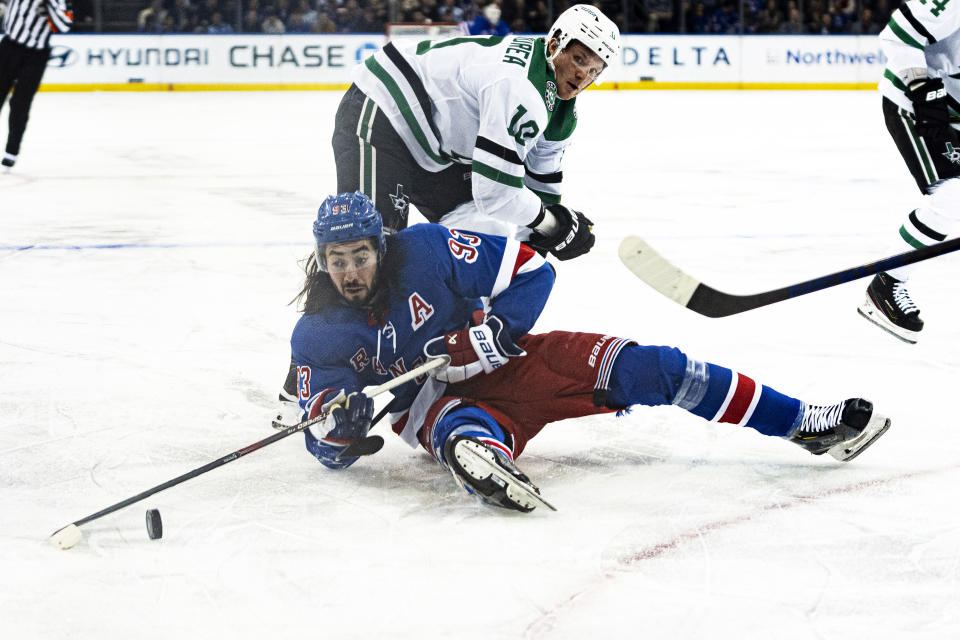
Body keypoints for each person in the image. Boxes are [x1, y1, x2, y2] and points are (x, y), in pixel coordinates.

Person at [289, 192, 892, 512]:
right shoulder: (316, 334)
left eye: (359, 255)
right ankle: (482, 458)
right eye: (336, 260)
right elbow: (325, 447)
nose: (350, 271)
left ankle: (803, 423)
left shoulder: (425, 248)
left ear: (381, 245)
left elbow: (531, 271)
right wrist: (339, 430)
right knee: (460, 424)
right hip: (426, 404)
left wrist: (492, 335)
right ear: (323, 259)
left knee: (662, 368)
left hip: (514, 360)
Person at [332, 2, 618, 254]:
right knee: (366, 254)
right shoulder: (521, 88)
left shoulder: (561, 112)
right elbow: (496, 193)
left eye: (594, 70)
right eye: (579, 59)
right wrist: (555, 225)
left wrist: (537, 245)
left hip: (434, 146)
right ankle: (331, 314)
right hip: (384, 110)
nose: (583, 76)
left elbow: (541, 187)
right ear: (555, 44)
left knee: (487, 238)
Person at [858, 0, 960, 343]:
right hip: (918, 106)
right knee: (953, 197)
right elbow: (898, 34)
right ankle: (887, 283)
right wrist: (921, 88)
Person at [0, 0, 72, 170]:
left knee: (20, 104)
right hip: (9, 47)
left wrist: (50, 6)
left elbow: (63, 26)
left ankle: (11, 152)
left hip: (36, 55)